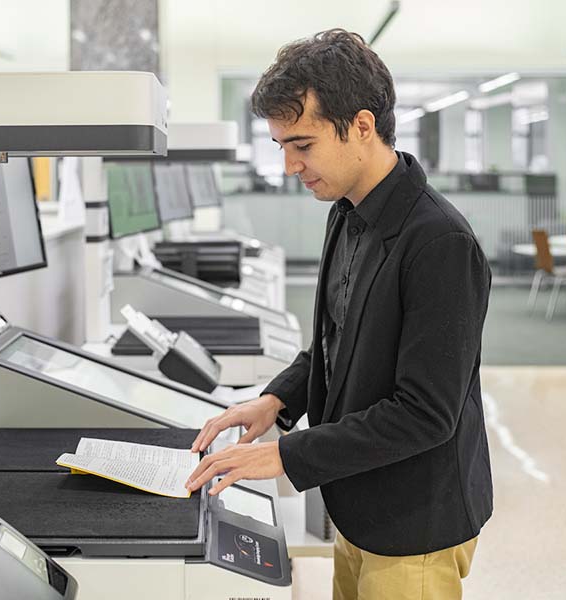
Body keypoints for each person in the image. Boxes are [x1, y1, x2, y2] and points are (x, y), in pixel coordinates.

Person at [185, 29, 492, 599]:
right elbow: (338, 339)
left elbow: (426, 414)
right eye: (281, 146)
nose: (289, 166)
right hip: (358, 500)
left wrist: (286, 455)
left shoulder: (439, 241)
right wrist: (278, 401)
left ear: (362, 126)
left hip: (414, 524)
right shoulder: (348, 212)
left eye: (302, 144)